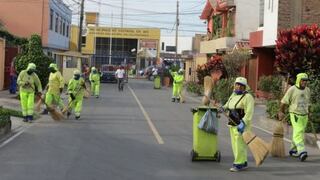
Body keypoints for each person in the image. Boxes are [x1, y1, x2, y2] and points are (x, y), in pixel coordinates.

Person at [222, 77, 254, 172]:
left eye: (241, 85)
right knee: (235, 144)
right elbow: (228, 104)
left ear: (245, 87)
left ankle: (238, 163)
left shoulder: (248, 97)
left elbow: (249, 112)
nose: (239, 87)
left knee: (239, 144)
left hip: (242, 125)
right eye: (237, 84)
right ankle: (243, 162)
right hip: (232, 123)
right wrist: (223, 108)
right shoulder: (233, 95)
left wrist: (243, 122)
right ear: (234, 85)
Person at [278, 73, 310, 162]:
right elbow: (284, 101)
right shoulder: (292, 89)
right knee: (299, 131)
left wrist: (309, 112)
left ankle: (293, 149)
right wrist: (281, 111)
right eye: (303, 80)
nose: (304, 82)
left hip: (304, 114)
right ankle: (302, 151)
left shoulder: (307, 90)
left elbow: (308, 102)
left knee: (299, 132)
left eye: (306, 81)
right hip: (295, 114)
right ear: (298, 80)